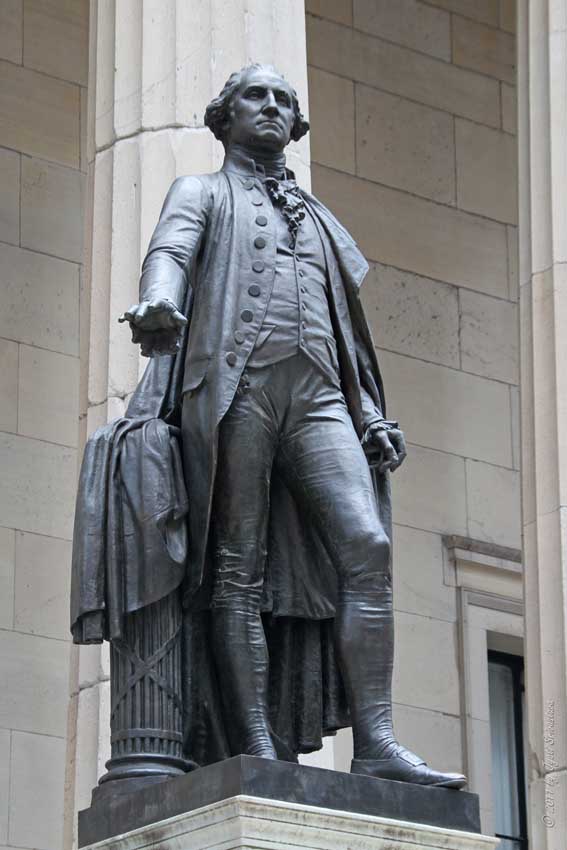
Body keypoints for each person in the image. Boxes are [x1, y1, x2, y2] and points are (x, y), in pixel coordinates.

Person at [120, 64, 466, 788]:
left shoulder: (315, 215)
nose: (272, 107)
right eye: (257, 96)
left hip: (317, 396)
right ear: (226, 116)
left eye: (284, 99)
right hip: (235, 387)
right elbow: (171, 253)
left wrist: (367, 410)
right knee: (236, 566)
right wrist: (158, 302)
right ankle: (256, 742)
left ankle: (376, 739)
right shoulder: (202, 192)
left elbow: (343, 325)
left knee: (366, 545)